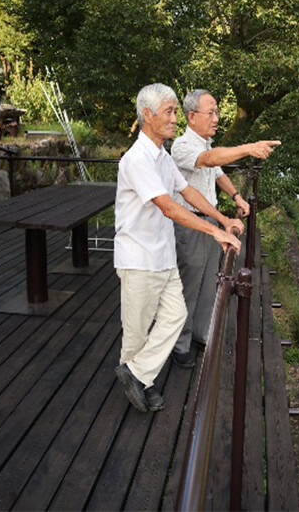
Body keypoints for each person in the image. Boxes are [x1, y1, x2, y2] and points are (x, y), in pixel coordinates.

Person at [114, 83, 243, 413]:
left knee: (175, 316)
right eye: (169, 112)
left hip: (162, 254)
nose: (175, 119)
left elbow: (188, 192)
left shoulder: (161, 156)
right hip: (139, 257)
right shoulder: (137, 160)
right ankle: (141, 384)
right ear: (148, 115)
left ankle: (137, 373)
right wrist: (213, 232)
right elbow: (168, 207)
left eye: (175, 111)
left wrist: (221, 218)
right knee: (137, 331)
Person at [167, 89, 279, 367]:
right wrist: (249, 148)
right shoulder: (182, 146)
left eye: (217, 112)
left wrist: (237, 197)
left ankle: (201, 333)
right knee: (189, 284)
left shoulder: (205, 144)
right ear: (192, 117)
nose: (217, 118)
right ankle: (179, 345)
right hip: (190, 225)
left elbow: (218, 173)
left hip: (210, 224)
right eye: (211, 112)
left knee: (209, 282)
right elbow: (210, 161)